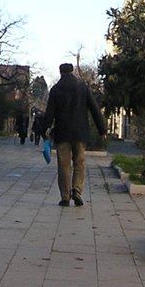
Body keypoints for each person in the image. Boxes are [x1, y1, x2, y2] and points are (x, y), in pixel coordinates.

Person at [36, 62, 105, 207]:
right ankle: (77, 191)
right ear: (72, 71)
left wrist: (44, 130)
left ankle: (65, 196)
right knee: (79, 162)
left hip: (62, 133)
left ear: (60, 72)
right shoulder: (83, 87)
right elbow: (94, 108)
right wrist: (102, 129)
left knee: (64, 165)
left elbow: (49, 113)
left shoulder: (56, 89)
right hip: (80, 132)